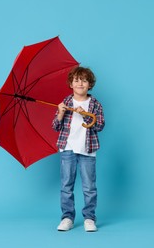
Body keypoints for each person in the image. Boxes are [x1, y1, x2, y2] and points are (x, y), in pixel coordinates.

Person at [52, 66, 105, 232]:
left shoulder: (95, 104)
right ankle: (67, 217)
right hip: (67, 149)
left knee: (89, 186)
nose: (80, 83)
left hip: (88, 150)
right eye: (76, 80)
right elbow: (55, 126)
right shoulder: (66, 103)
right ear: (70, 84)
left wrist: (85, 114)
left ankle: (89, 218)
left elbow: (100, 125)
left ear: (90, 84)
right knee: (66, 185)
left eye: (84, 80)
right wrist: (60, 113)